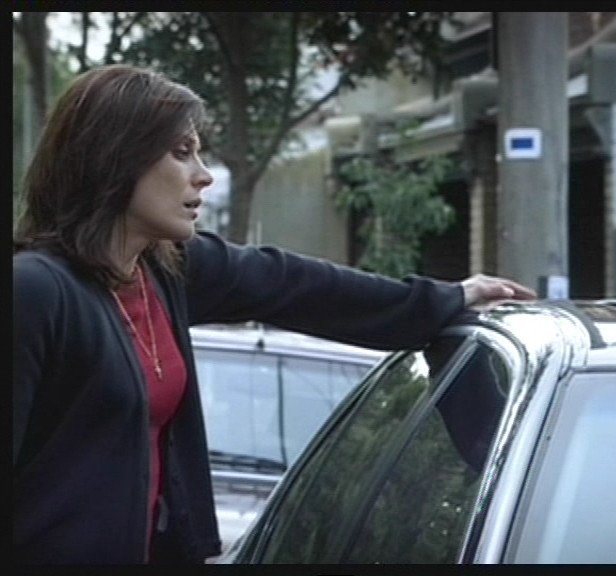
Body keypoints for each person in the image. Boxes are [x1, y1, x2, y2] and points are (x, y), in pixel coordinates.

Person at [13, 64, 537, 565]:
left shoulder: (164, 269)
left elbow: (292, 285)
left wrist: (446, 300)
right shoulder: (36, 291)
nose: (203, 176)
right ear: (116, 159)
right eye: (181, 152)